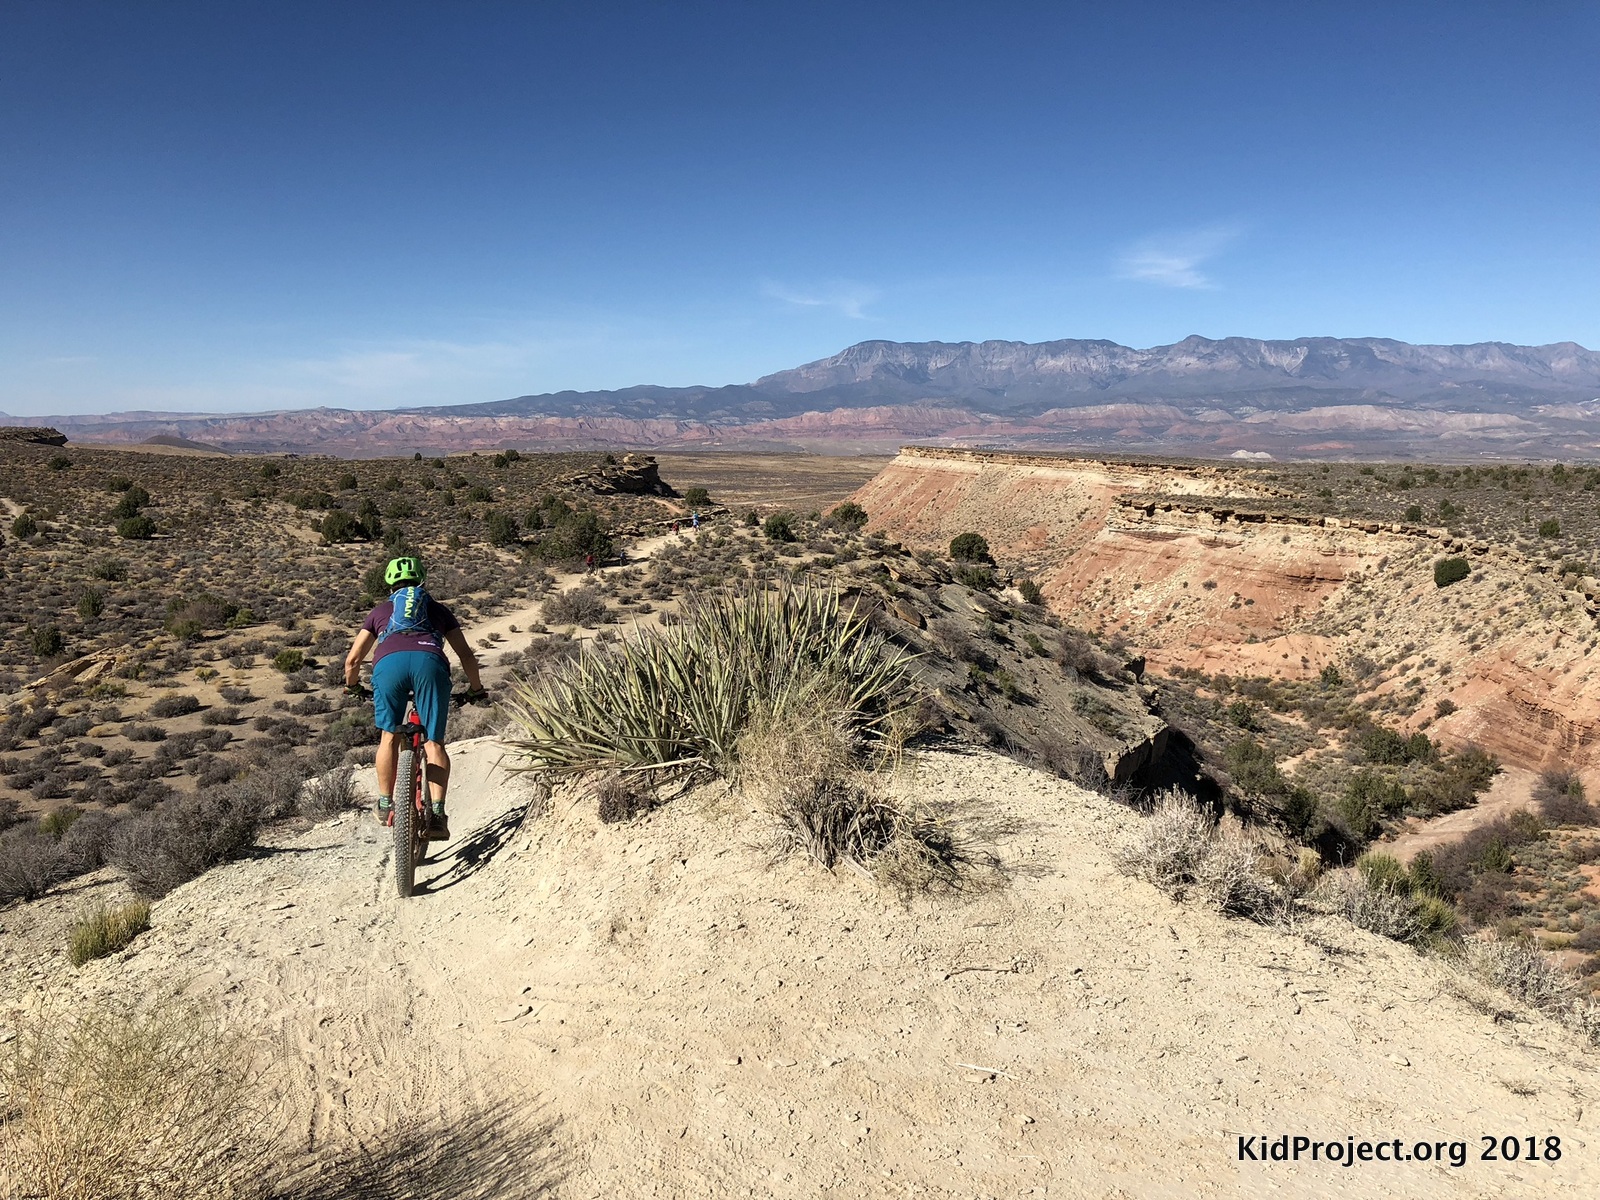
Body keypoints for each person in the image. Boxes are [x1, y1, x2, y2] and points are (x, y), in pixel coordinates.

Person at [344, 555, 485, 840]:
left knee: (388, 736)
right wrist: (476, 689)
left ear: (388, 583)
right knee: (434, 742)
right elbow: (466, 655)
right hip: (429, 663)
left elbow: (353, 660)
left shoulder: (380, 611)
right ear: (422, 579)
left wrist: (353, 686)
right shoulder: (439, 610)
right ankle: (437, 815)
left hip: (388, 667)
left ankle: (385, 803)